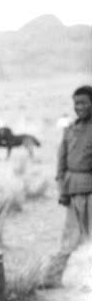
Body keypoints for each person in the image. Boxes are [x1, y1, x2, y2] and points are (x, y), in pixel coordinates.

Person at [45, 85, 92, 287]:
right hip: (73, 191)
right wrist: (63, 190)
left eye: (84, 103)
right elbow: (61, 162)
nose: (79, 107)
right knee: (70, 237)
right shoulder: (70, 130)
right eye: (76, 103)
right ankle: (51, 278)